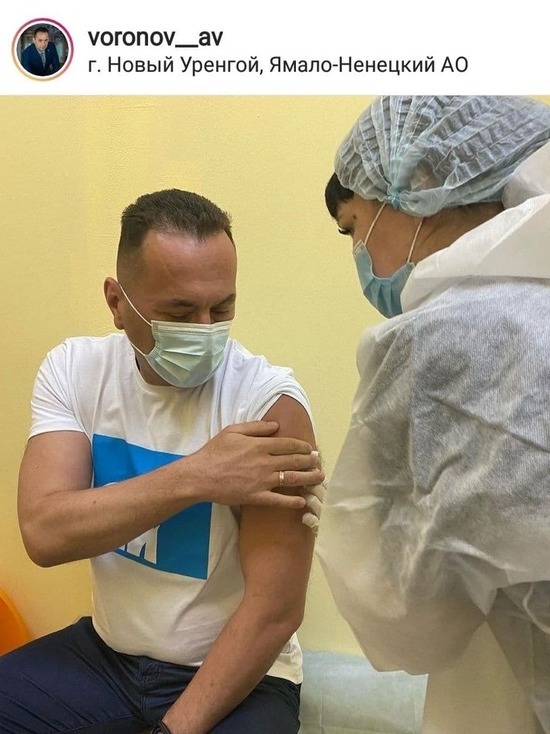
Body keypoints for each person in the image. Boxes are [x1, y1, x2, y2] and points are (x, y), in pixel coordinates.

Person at [0, 189, 325, 734]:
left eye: (222, 308)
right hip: (106, 658)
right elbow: (45, 533)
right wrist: (198, 476)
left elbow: (275, 611)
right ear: (117, 302)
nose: (205, 329)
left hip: (240, 677)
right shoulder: (75, 371)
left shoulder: (268, 405)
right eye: (179, 312)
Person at [316, 96, 550, 732]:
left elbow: (408, 618)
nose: (360, 252)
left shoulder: (442, 338)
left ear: (419, 182)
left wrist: (348, 520)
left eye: (354, 227)